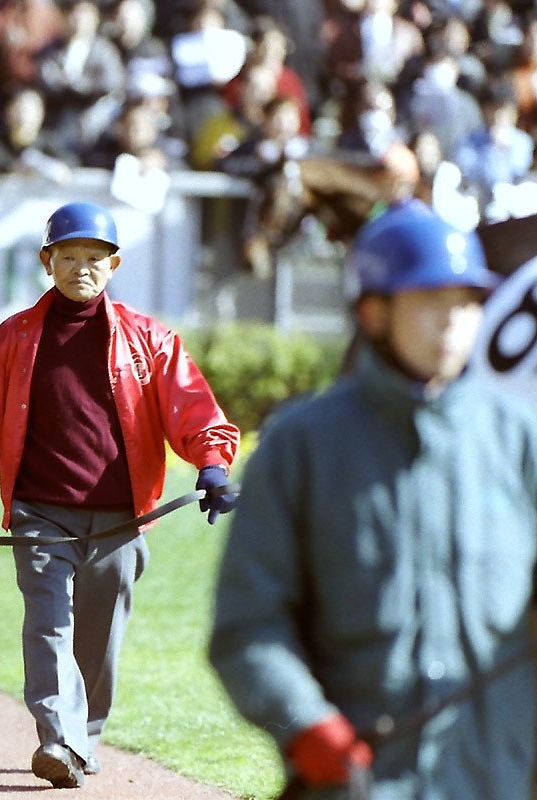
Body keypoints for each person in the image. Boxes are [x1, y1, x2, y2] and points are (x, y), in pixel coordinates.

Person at [0, 202, 241, 789]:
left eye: (93, 258)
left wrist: (211, 463)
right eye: (68, 256)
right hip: (40, 513)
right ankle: (58, 737)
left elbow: (194, 409)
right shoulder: (14, 338)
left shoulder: (150, 340)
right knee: (49, 624)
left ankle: (85, 735)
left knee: (99, 636)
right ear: (46, 261)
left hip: (121, 520)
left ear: (114, 265)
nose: (81, 268)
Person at [208, 200, 537, 799]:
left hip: (495, 777)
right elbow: (247, 627)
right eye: (430, 302)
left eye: (466, 305)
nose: (453, 324)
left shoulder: (518, 440)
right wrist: (303, 720)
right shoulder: (300, 445)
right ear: (373, 312)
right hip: (355, 782)